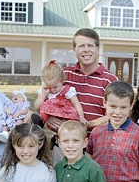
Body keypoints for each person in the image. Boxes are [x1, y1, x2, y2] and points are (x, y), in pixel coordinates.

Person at [48, 29, 118, 164]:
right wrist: (50, 118)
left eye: (90, 45)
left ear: (98, 48)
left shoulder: (110, 81)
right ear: (74, 50)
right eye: (81, 46)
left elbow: (115, 115)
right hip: (62, 149)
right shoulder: (64, 75)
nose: (86, 50)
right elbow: (47, 101)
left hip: (94, 151)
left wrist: (89, 125)